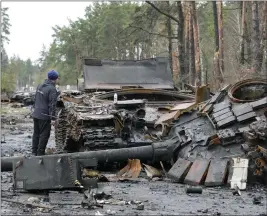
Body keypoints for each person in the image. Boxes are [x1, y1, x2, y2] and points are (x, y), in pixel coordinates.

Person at [31, 70, 59, 156]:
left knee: (36, 133)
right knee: (44, 134)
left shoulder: (40, 86)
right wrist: (53, 118)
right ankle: (40, 154)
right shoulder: (52, 89)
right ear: (55, 79)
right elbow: (52, 105)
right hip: (44, 116)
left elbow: (35, 99)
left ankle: (34, 152)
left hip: (36, 114)